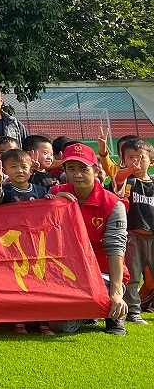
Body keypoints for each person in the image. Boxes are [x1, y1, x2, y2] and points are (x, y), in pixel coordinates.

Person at [52, 143, 129, 335]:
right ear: (65, 171)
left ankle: (114, 312)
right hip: (65, 272)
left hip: (102, 273)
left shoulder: (113, 205)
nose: (77, 174)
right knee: (59, 325)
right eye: (71, 169)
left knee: (105, 295)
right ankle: (89, 310)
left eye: (83, 169)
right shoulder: (54, 194)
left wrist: (116, 292)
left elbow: (115, 249)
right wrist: (52, 204)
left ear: (96, 170)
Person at [115, 138, 154, 324]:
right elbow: (118, 178)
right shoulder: (128, 181)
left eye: (141, 157)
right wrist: (129, 170)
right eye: (130, 157)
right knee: (132, 276)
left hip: (152, 235)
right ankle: (133, 311)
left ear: (151, 161)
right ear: (123, 160)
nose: (136, 161)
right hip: (133, 235)